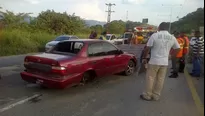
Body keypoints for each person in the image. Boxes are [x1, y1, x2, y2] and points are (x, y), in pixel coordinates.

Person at [140, 22, 180, 101]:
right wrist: (171, 56)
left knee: (150, 78)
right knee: (160, 79)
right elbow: (178, 48)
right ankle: (156, 96)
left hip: (154, 61)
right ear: (167, 28)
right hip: (164, 62)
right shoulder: (172, 37)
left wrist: (144, 57)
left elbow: (147, 48)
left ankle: (148, 95)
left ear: (159, 27)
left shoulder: (155, 35)